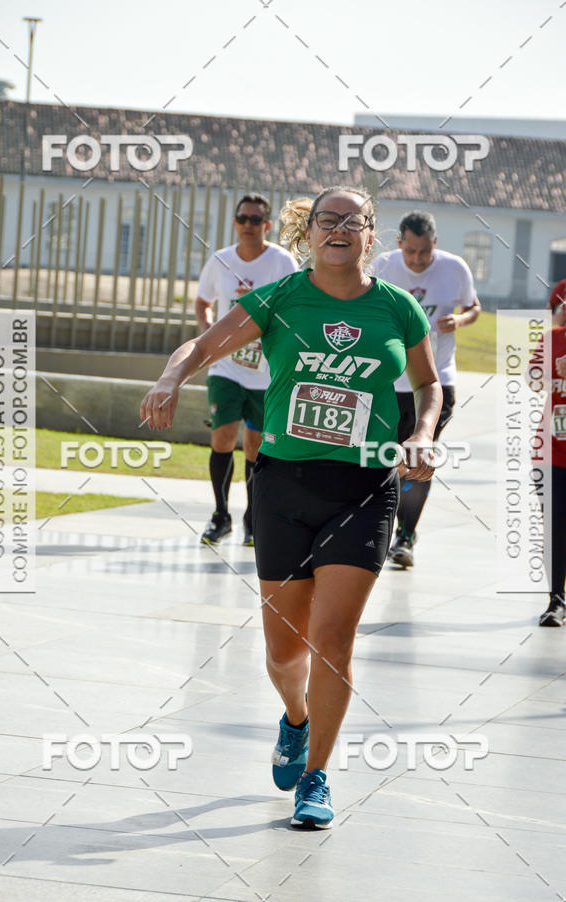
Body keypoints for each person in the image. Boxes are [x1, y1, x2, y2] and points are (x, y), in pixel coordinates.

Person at [140, 186, 442, 829]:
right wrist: (171, 378)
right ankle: (295, 720)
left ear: (370, 234)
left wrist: (421, 433)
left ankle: (317, 777)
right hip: (281, 485)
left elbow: (427, 382)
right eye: (326, 220)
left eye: (351, 221)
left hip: (363, 487)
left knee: (333, 642)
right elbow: (202, 345)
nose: (339, 230)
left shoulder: (396, 308)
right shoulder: (279, 297)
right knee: (284, 653)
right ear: (308, 235)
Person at [370, 211, 481, 567]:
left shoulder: (454, 268)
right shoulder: (383, 266)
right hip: (388, 380)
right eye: (410, 251)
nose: (417, 260)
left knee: (418, 455)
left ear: (434, 243)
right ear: (400, 243)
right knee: (385, 455)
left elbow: (474, 307)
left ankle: (405, 535)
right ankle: (381, 526)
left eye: (424, 252)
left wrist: (460, 320)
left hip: (436, 380)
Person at [194, 193, 297, 546]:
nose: (248, 225)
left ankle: (253, 519)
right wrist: (209, 335)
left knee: (255, 446)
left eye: (256, 220)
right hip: (226, 367)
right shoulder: (220, 260)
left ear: (267, 225)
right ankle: (220, 515)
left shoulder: (282, 262)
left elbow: (294, 306)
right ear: (235, 222)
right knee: (222, 436)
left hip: (266, 371)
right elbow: (202, 301)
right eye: (243, 218)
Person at [536, 281, 566, 626]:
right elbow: (531, 377)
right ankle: (556, 598)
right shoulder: (553, 338)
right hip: (552, 448)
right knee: (555, 523)